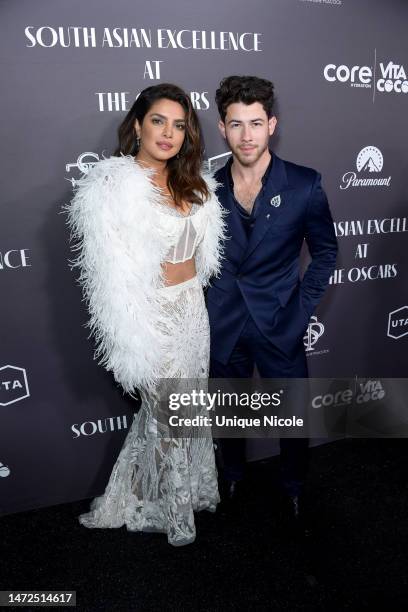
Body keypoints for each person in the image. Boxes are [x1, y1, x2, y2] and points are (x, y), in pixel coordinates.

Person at [65, 83, 226, 546]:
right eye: (158, 120)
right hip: (149, 320)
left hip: (193, 314)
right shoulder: (114, 187)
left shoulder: (194, 183)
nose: (168, 133)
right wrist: (133, 340)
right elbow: (109, 279)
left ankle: (150, 491)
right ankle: (177, 517)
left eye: (179, 125)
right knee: (170, 414)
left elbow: (202, 258)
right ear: (137, 125)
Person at [207, 75, 338, 523]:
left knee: (293, 417)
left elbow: (325, 253)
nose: (247, 136)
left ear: (272, 125)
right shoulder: (203, 188)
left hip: (280, 322)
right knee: (229, 414)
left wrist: (300, 314)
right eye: (237, 124)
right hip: (223, 323)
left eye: (256, 123)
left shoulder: (304, 184)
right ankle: (232, 475)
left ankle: (295, 487)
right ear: (222, 128)